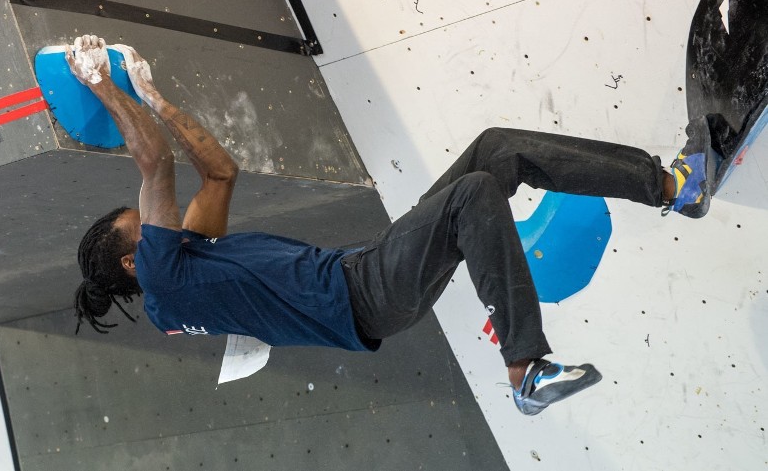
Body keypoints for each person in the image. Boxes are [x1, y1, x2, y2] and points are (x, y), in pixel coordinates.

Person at [68, 35, 714, 416]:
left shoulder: (184, 266)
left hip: (363, 270)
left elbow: (219, 174)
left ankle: (671, 186)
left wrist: (154, 96)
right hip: (363, 294)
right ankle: (527, 370)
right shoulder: (162, 278)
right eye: (145, 225)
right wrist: (100, 81)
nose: (161, 220)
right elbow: (152, 163)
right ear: (132, 261)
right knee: (472, 194)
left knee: (496, 151)